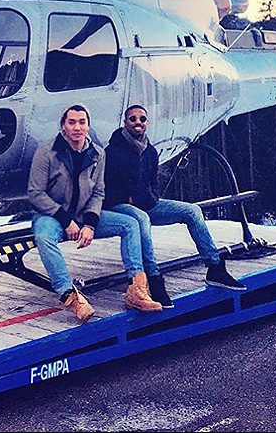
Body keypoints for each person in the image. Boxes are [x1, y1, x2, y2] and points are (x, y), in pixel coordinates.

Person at [27, 104, 163, 324]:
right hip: (51, 214)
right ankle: (71, 297)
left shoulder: (97, 154)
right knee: (43, 236)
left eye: (82, 122)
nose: (77, 128)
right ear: (63, 126)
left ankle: (137, 289)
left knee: (130, 224)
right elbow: (35, 193)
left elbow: (99, 192)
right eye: (72, 122)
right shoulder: (47, 152)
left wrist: (90, 224)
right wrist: (65, 220)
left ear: (88, 126)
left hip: (83, 214)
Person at [104, 104, 247, 308]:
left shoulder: (150, 152)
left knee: (192, 211)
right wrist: (128, 199)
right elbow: (103, 189)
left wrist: (152, 197)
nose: (138, 123)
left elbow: (153, 182)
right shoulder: (113, 152)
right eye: (133, 119)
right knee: (142, 220)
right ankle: (154, 279)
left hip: (148, 204)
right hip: (120, 207)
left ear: (147, 123)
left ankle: (215, 267)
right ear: (125, 123)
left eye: (142, 119)